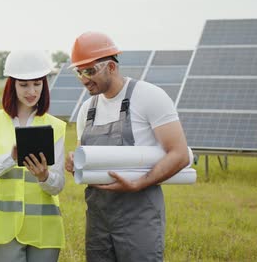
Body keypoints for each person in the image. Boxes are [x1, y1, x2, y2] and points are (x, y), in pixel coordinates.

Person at [65, 32, 190, 262]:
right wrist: (75, 163)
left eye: (90, 71)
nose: (84, 79)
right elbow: (87, 160)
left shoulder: (148, 97)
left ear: (111, 67)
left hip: (138, 216)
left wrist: (138, 184)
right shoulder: (86, 110)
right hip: (98, 219)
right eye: (79, 72)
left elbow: (180, 154)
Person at [0, 50, 66, 262]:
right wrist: (11, 158)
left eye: (37, 84)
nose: (32, 91)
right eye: (24, 85)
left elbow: (58, 185)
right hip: (3, 231)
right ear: (11, 85)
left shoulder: (56, 127)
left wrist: (44, 177)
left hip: (45, 230)